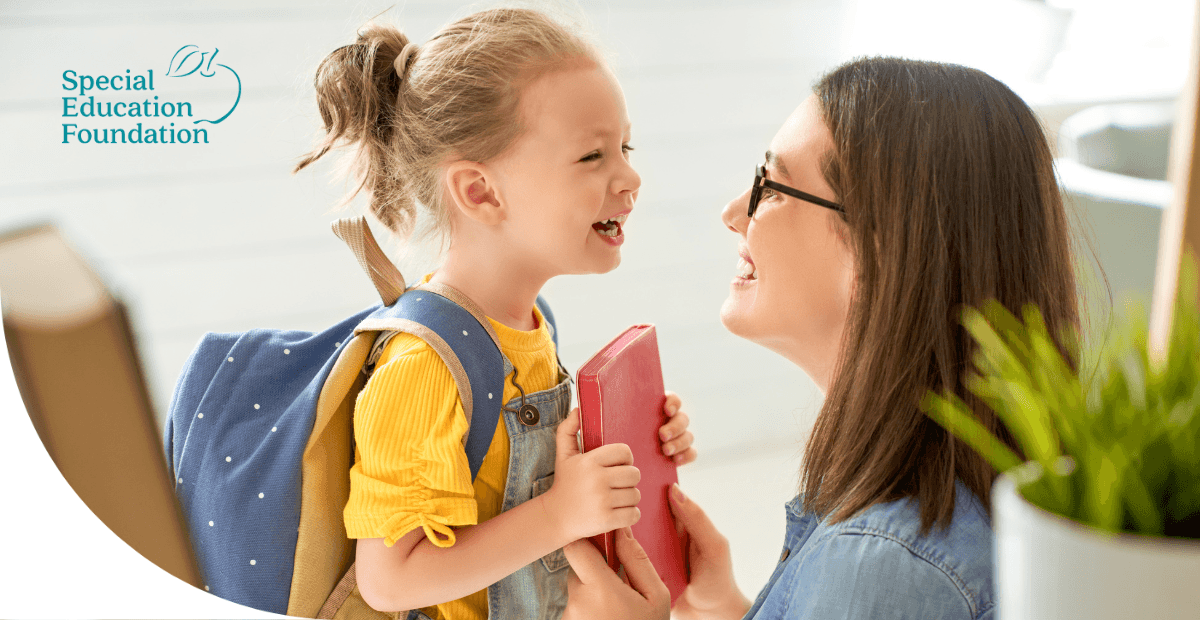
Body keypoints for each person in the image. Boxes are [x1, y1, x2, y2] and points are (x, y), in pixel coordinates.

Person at [560, 56, 1079, 620]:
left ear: (878, 250)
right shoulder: (935, 507)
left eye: (772, 188)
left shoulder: (881, 568)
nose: (735, 213)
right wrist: (721, 607)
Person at [293, 8, 698, 620]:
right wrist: (561, 512)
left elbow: (506, 486)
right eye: (593, 156)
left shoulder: (531, 324)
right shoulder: (421, 366)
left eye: (625, 147)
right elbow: (390, 581)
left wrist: (632, 446)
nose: (630, 176)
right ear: (480, 191)